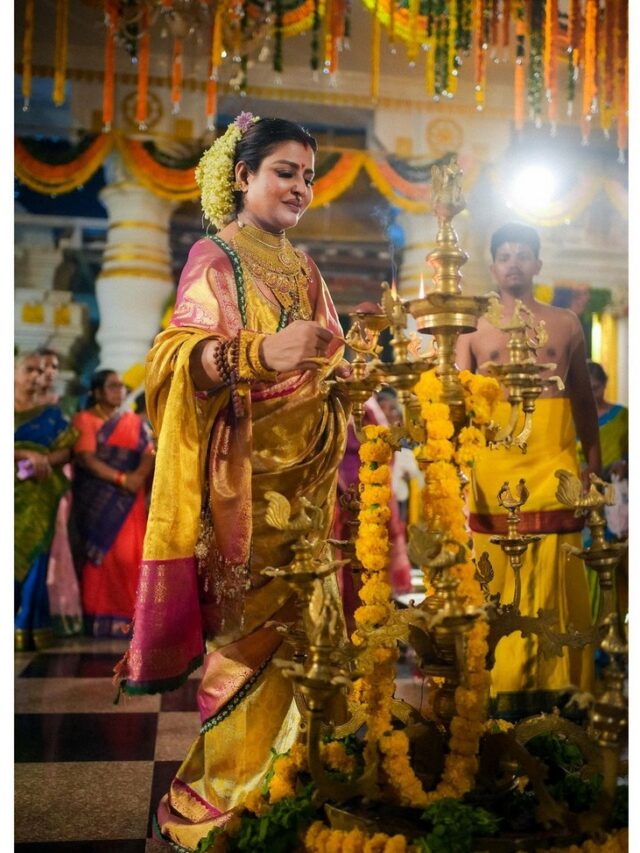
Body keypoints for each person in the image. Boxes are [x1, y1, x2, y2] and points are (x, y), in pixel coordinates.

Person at [113, 114, 351, 850]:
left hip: (308, 483)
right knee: (248, 644)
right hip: (245, 485)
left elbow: (330, 357)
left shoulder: (305, 269)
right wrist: (259, 351)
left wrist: (348, 365)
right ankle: (230, 791)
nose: (301, 188)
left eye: (308, 175)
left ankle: (310, 779)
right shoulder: (215, 257)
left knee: (317, 636)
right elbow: (178, 357)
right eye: (286, 171)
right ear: (243, 177)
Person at [455, 222, 601, 719]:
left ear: (538, 264)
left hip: (555, 462)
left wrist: (593, 466)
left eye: (523, 254)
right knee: (496, 573)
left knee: (560, 566)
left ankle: (566, 695)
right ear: (492, 266)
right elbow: (456, 405)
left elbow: (582, 397)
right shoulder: (472, 325)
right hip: (494, 466)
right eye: (505, 255)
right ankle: (501, 694)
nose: (514, 262)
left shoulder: (565, 324)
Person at [71, 370, 155, 637]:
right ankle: (100, 617)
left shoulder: (132, 420)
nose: (119, 390)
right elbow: (86, 459)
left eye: (121, 386)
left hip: (131, 499)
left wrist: (137, 478)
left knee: (132, 556)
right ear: (96, 392)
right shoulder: (85, 420)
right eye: (112, 386)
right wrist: (121, 478)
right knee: (104, 556)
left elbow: (149, 453)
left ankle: (131, 617)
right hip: (100, 498)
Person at [14, 352, 77, 650]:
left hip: (39, 494)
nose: (37, 377)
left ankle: (26, 624)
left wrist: (44, 460)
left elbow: (67, 449)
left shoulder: (51, 414)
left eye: (41, 372)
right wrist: (24, 454)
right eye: (30, 370)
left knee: (37, 556)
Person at [35, 346, 83, 637]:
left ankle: (54, 611)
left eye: (53, 367)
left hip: (55, 481)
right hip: (20, 483)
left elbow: (70, 448)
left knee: (56, 543)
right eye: (41, 368)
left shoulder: (62, 405)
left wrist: (46, 461)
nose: (48, 373)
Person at [583, 361, 628, 620]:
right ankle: (594, 630)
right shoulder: (574, 419)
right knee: (590, 562)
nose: (592, 394)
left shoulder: (623, 417)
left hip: (617, 502)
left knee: (619, 564)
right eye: (586, 389)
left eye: (596, 387)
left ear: (605, 384)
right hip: (586, 499)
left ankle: (619, 629)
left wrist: (627, 464)